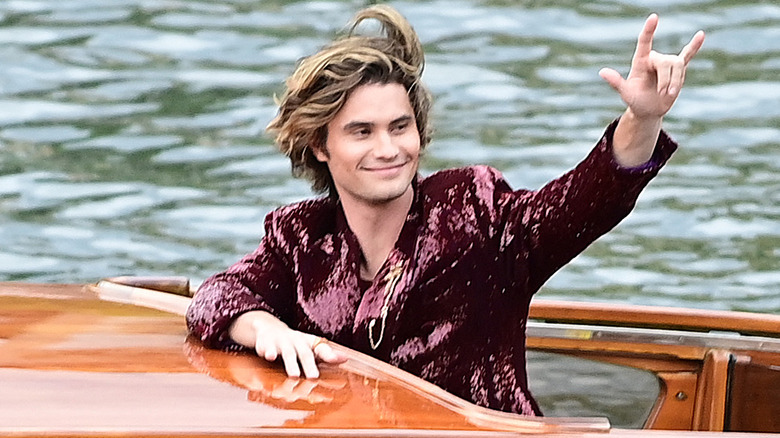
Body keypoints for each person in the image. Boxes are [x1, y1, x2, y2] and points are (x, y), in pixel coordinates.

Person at [186, 5, 704, 416]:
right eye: (361, 132)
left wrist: (641, 119)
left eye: (399, 127)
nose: (388, 148)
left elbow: (584, 202)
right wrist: (265, 328)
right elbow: (215, 299)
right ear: (320, 147)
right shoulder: (299, 236)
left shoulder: (473, 210)